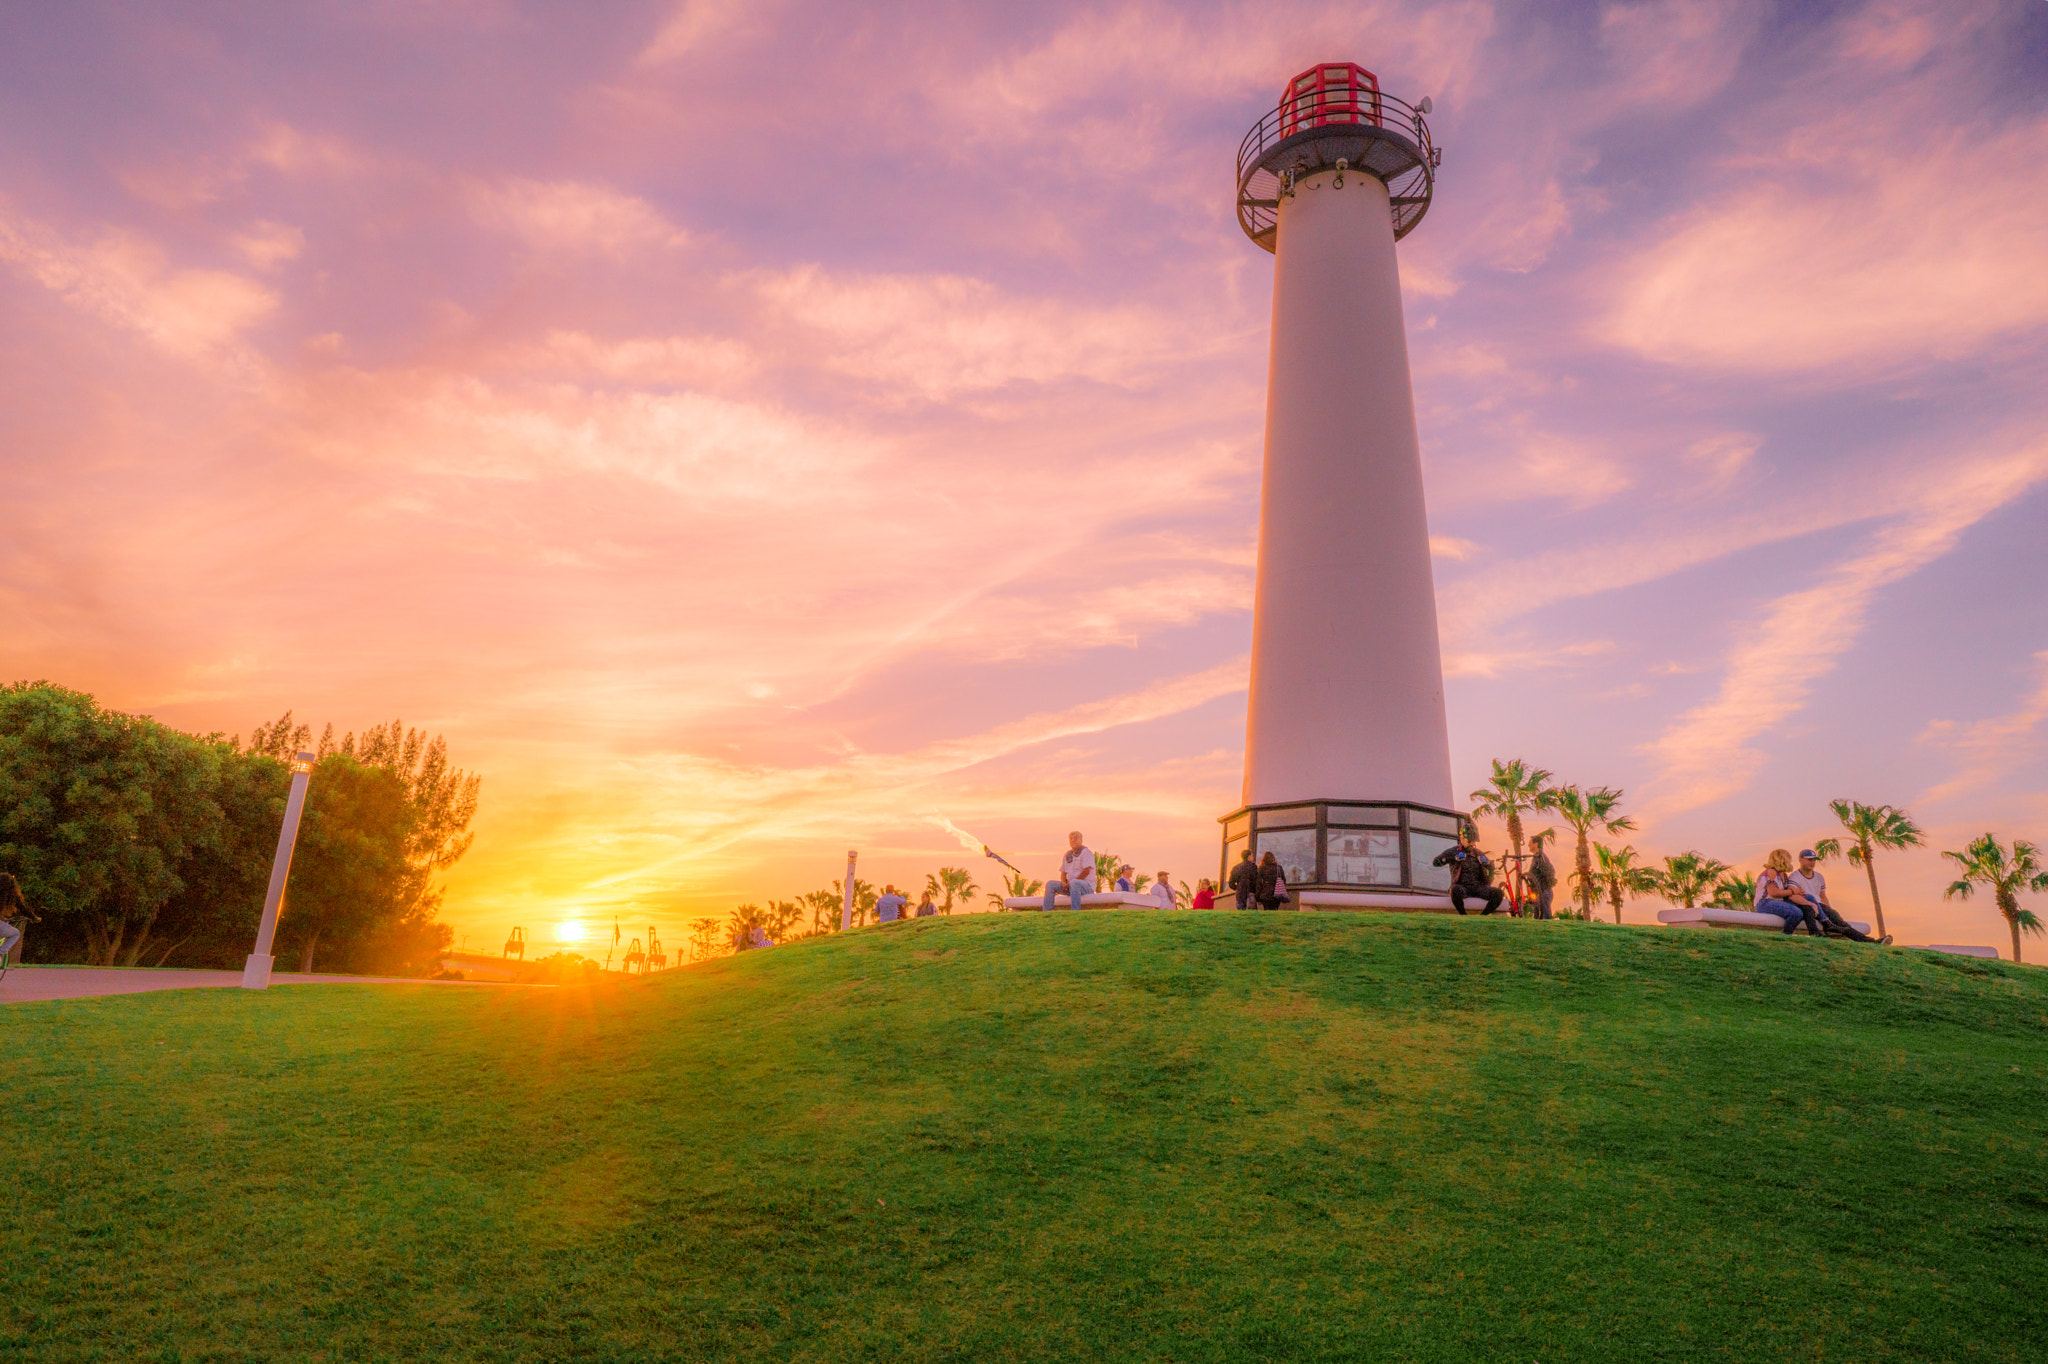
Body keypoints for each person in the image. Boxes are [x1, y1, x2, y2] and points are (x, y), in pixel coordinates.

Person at [1789, 849, 1890, 944]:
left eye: (1814, 860)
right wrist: (1810, 904)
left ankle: (1869, 941)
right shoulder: (1795, 876)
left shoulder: (1819, 877)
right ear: (1800, 860)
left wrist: (1829, 909)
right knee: (1827, 919)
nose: (1812, 863)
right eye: (1809, 860)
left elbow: (1823, 896)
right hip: (1805, 906)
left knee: (1838, 921)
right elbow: (1792, 895)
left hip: (1820, 905)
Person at [1433, 826, 1503, 915]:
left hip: (1478, 887)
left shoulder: (1478, 853)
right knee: (1455, 890)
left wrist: (1487, 863)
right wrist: (1454, 858)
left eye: (1473, 841)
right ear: (1462, 838)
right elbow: (1436, 862)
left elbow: (1491, 869)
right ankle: (1463, 915)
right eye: (1469, 841)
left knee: (1498, 893)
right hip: (1462, 886)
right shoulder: (1454, 851)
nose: (1472, 844)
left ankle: (1483, 916)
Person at [1754, 849, 1818, 935]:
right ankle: (1786, 934)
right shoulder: (1770, 873)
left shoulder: (1783, 875)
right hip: (1765, 902)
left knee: (1806, 904)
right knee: (1795, 913)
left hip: (1779, 902)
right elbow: (1774, 893)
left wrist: (1798, 892)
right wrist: (1792, 891)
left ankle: (1816, 931)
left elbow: (1786, 892)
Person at [1041, 830, 1097, 911]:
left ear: (1081, 840)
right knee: (1050, 884)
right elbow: (1063, 872)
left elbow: (1086, 871)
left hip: (1086, 886)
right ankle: (1047, 911)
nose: (1073, 840)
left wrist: (1071, 883)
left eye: (1075, 838)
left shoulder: (1086, 853)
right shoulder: (1067, 855)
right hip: (1071, 886)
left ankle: (1075, 911)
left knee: (1075, 883)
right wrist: (1064, 883)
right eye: (1071, 839)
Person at [0, 872, 31, 968]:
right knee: (15, 933)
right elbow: (23, 908)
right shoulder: (11, 894)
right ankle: (0, 953)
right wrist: (34, 918)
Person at [1527, 830, 1558, 921]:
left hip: (1544, 891)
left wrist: (1548, 882)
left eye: (1530, 843)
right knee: (1538, 918)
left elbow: (1550, 871)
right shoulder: (1538, 857)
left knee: (1546, 918)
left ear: (1536, 844)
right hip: (1539, 891)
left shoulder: (1541, 857)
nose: (1528, 845)